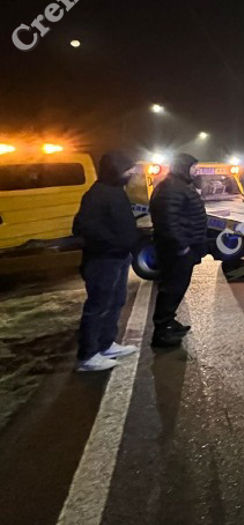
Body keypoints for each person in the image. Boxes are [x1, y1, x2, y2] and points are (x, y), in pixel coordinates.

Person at [72, 151, 141, 372]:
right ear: (115, 170)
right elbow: (83, 227)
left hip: (118, 258)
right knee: (98, 306)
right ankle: (88, 356)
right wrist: (116, 243)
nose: (131, 174)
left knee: (115, 302)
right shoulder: (97, 194)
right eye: (127, 169)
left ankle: (106, 344)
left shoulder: (115, 191)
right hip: (103, 260)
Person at [148, 152, 207, 348]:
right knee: (171, 289)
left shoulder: (178, 186)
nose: (196, 172)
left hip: (181, 249)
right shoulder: (171, 188)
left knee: (177, 288)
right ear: (183, 167)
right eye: (194, 168)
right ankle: (162, 331)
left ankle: (169, 322)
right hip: (175, 251)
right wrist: (183, 247)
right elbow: (168, 223)